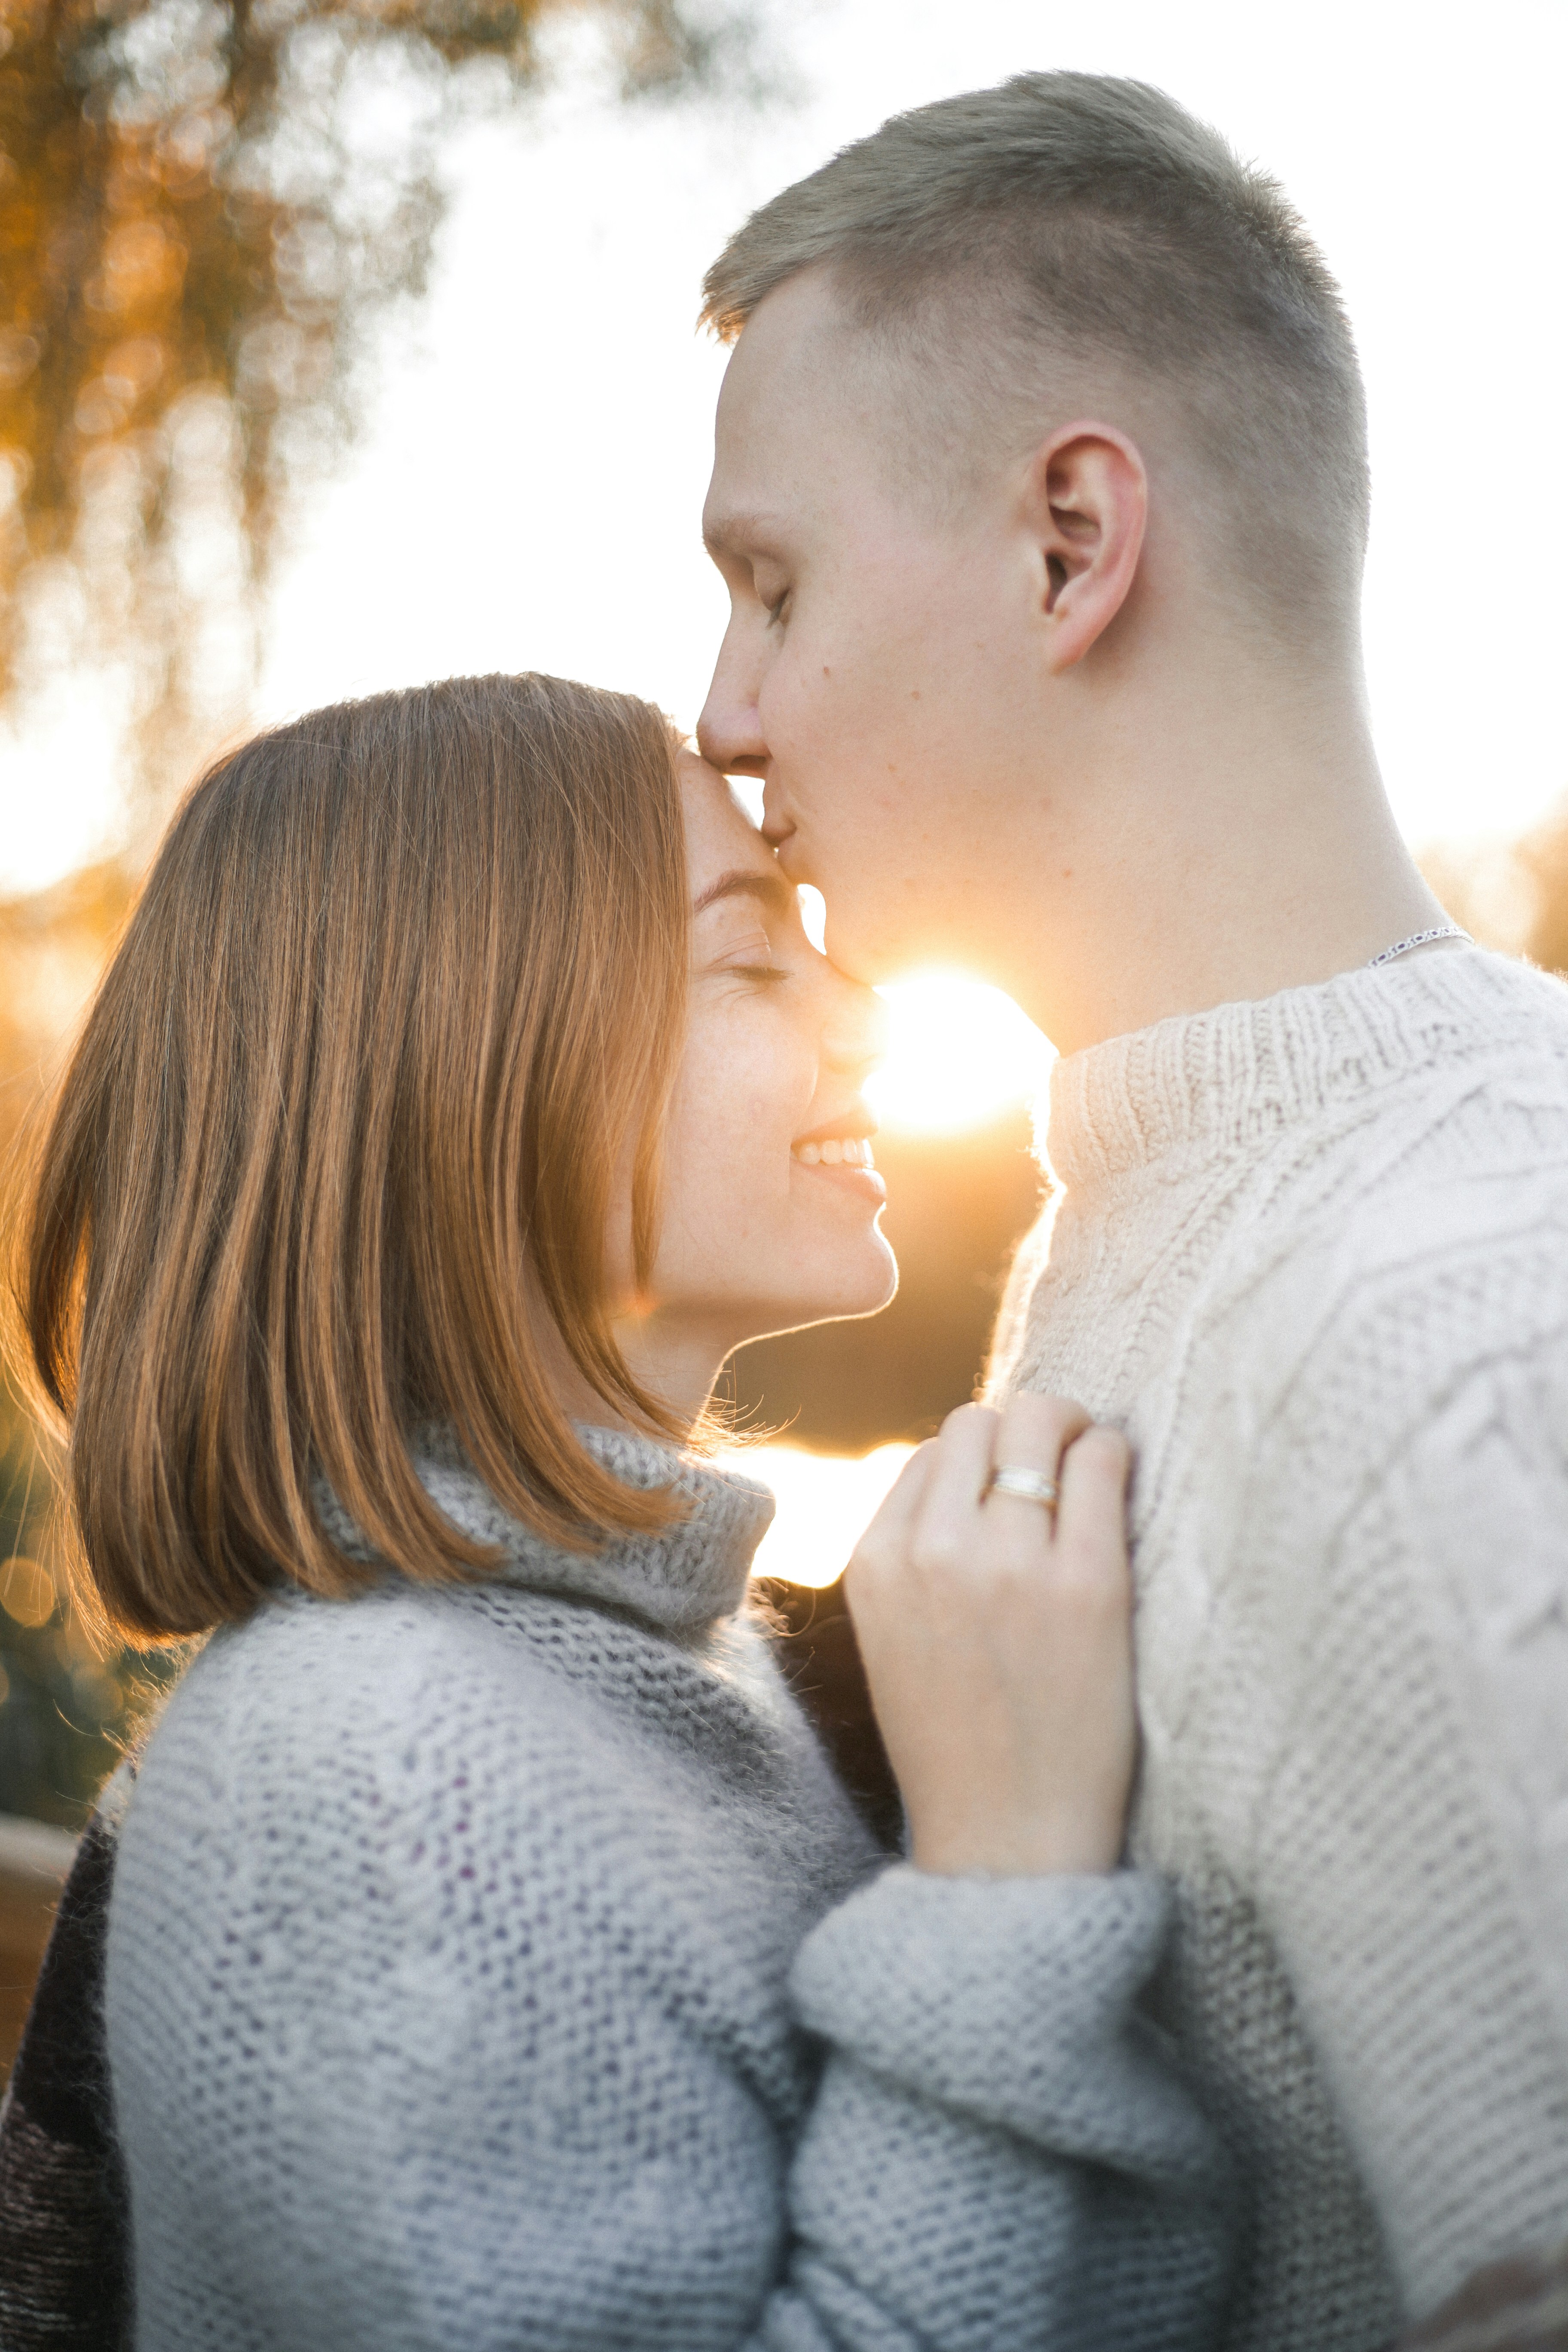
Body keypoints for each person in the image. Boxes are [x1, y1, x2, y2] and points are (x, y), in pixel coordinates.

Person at [6, 671, 1232, 2351]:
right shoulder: (378, 1777)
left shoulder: (644, 1670)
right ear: (458, 1069)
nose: (861, 1008)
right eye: (749, 953)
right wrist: (1004, 1884)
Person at [695, 69, 1568, 2352]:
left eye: (769, 584)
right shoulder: (1192, 1207)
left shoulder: (1445, 1335)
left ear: (1072, 538)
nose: (725, 714)